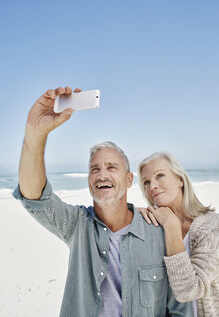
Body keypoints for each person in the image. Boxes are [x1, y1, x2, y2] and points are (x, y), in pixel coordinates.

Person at [13, 87, 193, 317]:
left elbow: (181, 309)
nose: (102, 175)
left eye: (111, 168)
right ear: (89, 180)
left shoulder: (159, 234)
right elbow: (34, 196)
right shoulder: (77, 225)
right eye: (94, 169)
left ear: (129, 180)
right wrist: (35, 132)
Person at [137, 152, 219, 317]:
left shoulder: (212, 226)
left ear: (180, 179)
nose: (152, 186)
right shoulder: (150, 225)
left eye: (159, 175)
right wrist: (129, 215)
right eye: (146, 182)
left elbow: (189, 291)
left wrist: (172, 226)